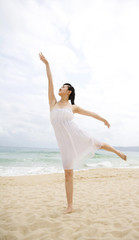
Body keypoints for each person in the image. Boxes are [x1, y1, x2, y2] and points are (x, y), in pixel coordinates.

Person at [39, 52, 127, 214]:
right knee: (67, 174)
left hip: (76, 134)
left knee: (97, 143)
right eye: (60, 87)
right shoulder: (52, 103)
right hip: (64, 144)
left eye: (63, 87)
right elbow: (49, 82)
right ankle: (70, 206)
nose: (60, 88)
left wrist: (103, 119)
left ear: (69, 92)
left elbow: (90, 113)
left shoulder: (73, 107)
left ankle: (117, 151)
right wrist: (47, 65)